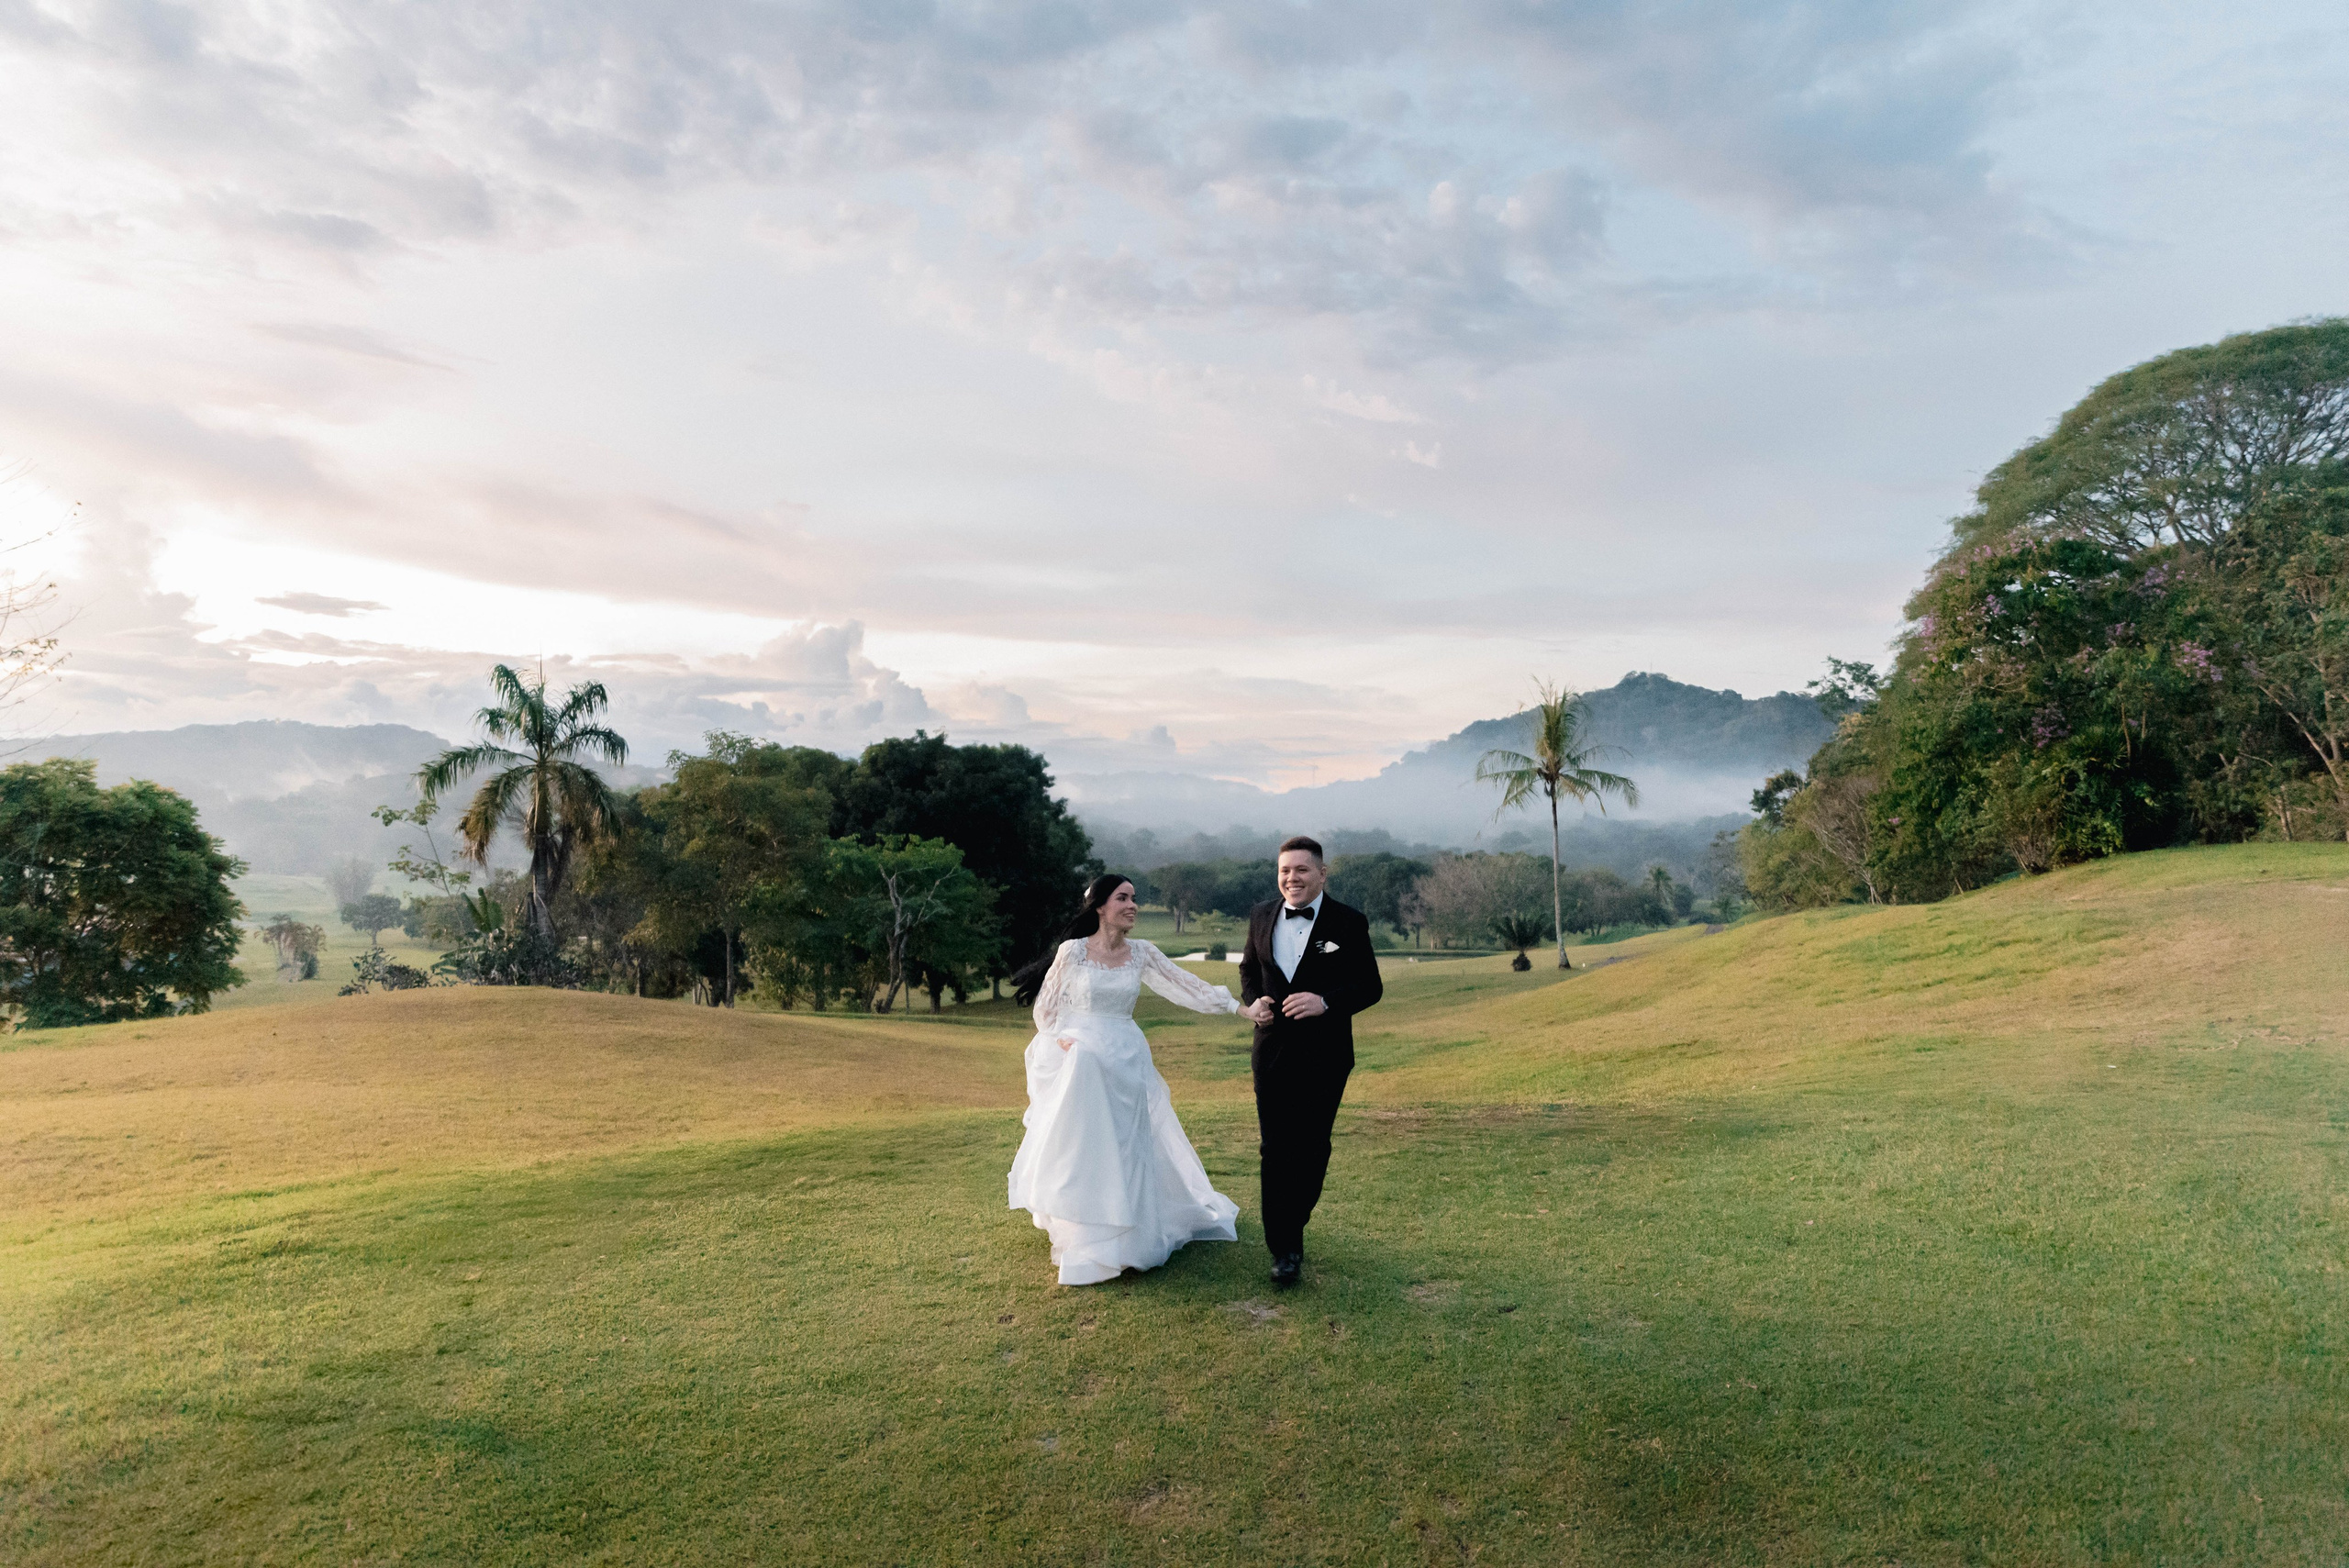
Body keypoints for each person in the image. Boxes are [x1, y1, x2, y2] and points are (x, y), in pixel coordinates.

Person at [1007, 873, 1251, 1285]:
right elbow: (1044, 1013)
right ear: (1100, 907)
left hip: (1125, 1057)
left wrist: (1237, 1009)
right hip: (1082, 1060)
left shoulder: (1142, 953)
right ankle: (1086, 1231)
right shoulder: (1072, 952)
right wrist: (1064, 1042)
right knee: (1088, 1144)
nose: (1132, 905)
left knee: (1130, 1145)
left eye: (1135, 898)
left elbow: (1184, 985)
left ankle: (1131, 1237)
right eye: (1123, 898)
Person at [1238, 835, 1383, 1288]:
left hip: (1326, 1054)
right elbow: (1248, 969)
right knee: (1274, 1147)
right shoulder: (1261, 915)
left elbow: (1370, 987)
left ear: (1322, 873)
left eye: (1301, 870)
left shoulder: (1348, 921)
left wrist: (1325, 1001)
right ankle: (1284, 1248)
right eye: (1284, 870)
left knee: (1313, 1147)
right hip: (1272, 1051)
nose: (1291, 878)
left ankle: (1293, 1222)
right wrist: (1253, 1002)